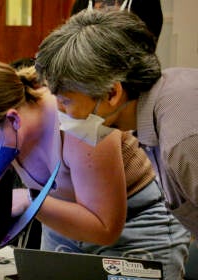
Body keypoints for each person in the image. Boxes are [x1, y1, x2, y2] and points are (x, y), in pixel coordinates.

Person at [0, 60, 190, 279]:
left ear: (13, 119)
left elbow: (105, 228)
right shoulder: (3, 135)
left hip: (135, 230)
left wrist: (31, 201)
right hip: (64, 230)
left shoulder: (76, 119)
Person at [36, 2, 198, 254]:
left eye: (67, 101)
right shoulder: (159, 109)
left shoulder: (182, 135)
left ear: (112, 92)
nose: (61, 113)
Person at [70, 0, 163, 47]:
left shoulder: (147, 3)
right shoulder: (83, 2)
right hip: (86, 75)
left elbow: (147, 47)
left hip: (129, 78)